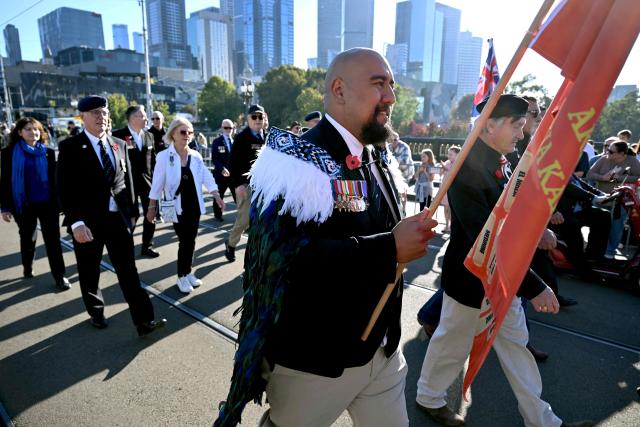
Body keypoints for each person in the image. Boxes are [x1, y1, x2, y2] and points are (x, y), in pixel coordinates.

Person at [214, 47, 437, 427]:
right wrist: (389, 248)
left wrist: (406, 236)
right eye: (379, 84)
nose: (391, 96)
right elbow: (283, 263)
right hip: (316, 364)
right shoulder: (293, 160)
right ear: (339, 90)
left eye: (392, 85)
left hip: (382, 352)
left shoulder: (376, 155)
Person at [415, 94, 592, 427]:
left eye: (523, 126)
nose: (521, 134)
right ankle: (428, 398)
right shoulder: (467, 168)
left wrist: (538, 229)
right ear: (488, 126)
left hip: (501, 281)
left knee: (516, 348)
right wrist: (534, 286)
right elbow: (485, 237)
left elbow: (511, 212)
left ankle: (544, 422)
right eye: (516, 125)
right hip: (471, 280)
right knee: (451, 344)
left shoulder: (500, 160)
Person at [57, 95, 166, 336]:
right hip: (87, 224)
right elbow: (65, 188)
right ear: (82, 117)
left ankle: (144, 321)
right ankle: (95, 311)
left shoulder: (118, 143)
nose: (101, 117)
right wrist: (75, 222)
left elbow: (127, 181)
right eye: (94, 112)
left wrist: (133, 213)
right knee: (89, 271)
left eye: (104, 112)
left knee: (129, 272)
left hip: (118, 221)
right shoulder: (70, 147)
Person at [147, 118, 224, 294]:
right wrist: (152, 208)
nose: (187, 135)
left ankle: (188, 272)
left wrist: (216, 195)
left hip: (194, 205)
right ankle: (181, 276)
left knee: (191, 241)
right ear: (173, 133)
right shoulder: (164, 156)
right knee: (185, 241)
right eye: (183, 132)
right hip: (177, 206)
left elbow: (206, 176)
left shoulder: (195, 156)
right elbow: (157, 184)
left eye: (190, 132)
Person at [0, 117, 70, 290]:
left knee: (53, 241)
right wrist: (5, 207)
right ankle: (27, 266)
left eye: (37, 129)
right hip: (23, 205)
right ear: (19, 133)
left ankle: (60, 276)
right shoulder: (8, 154)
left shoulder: (48, 152)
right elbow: (5, 182)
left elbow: (56, 181)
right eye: (29, 129)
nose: (34, 132)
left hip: (48, 204)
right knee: (28, 237)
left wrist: (61, 204)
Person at [112, 105, 160, 258]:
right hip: (127, 185)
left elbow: (152, 161)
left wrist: (156, 181)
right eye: (143, 116)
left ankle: (147, 246)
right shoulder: (118, 136)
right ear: (133, 118)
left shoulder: (149, 136)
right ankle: (123, 247)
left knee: (151, 214)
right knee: (131, 216)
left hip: (147, 183)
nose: (146, 119)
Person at [224, 104, 267, 262]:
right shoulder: (241, 138)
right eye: (254, 117)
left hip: (263, 187)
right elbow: (233, 163)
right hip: (245, 185)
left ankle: (254, 255)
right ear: (248, 119)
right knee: (244, 220)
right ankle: (231, 244)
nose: (257, 120)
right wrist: (238, 185)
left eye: (260, 116)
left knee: (261, 221)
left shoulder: (267, 137)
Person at [587, 139, 640, 259]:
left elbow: (638, 176)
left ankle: (610, 251)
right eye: (607, 149)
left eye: (611, 151)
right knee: (599, 225)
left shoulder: (632, 161)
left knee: (617, 225)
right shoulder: (603, 159)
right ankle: (595, 251)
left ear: (622, 154)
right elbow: (589, 174)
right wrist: (603, 178)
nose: (607, 152)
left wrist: (620, 177)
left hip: (620, 199)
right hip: (602, 198)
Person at [210, 119, 236, 222]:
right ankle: (218, 215)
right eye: (226, 127)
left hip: (233, 176)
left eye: (230, 128)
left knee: (238, 197)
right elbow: (214, 159)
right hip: (221, 175)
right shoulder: (217, 141)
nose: (228, 130)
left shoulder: (235, 142)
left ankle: (242, 216)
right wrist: (222, 169)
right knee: (219, 195)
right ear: (221, 128)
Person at [388, 131, 413, 214]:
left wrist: (392, 161)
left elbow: (403, 161)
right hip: (394, 172)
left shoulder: (404, 147)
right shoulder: (388, 147)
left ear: (398, 139)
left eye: (395, 139)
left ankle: (403, 210)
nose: (394, 141)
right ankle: (398, 209)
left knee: (403, 191)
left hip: (406, 172)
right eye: (392, 139)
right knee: (396, 191)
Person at [440, 145, 461, 233]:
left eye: (451, 154)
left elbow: (455, 173)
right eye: (448, 154)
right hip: (446, 189)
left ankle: (453, 226)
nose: (449, 156)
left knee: (453, 209)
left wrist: (446, 168)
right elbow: (441, 174)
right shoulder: (447, 162)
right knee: (446, 208)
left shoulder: (459, 163)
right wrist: (442, 169)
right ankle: (446, 225)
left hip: (455, 190)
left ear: (457, 155)